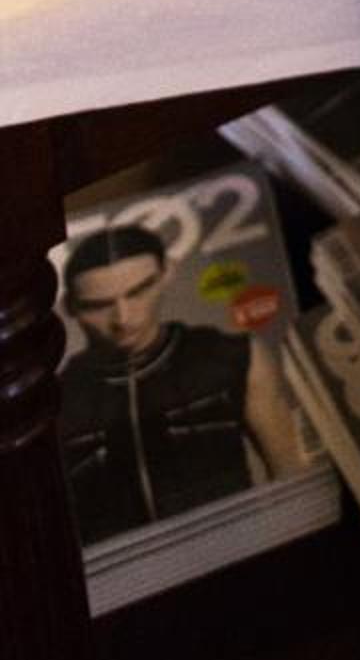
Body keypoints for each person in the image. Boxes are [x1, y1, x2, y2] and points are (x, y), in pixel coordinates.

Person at [57, 221, 309, 544]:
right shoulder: (54, 402)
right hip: (123, 570)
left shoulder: (230, 356)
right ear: (70, 307)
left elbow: (289, 468)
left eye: (139, 291)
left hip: (240, 549)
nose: (123, 318)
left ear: (167, 273)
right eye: (98, 305)